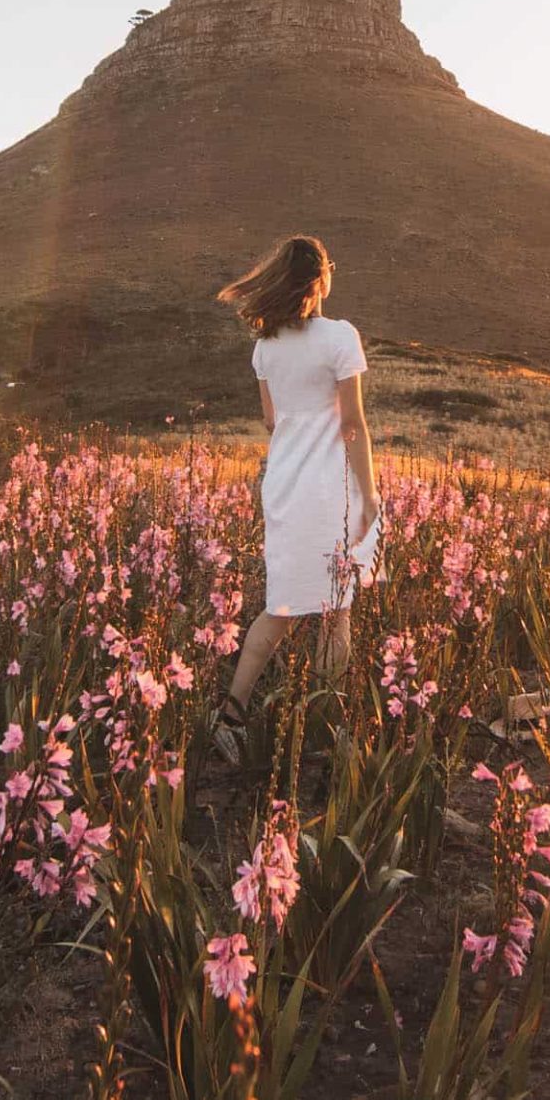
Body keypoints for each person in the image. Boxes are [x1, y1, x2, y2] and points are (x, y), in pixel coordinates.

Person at [209, 234, 382, 763]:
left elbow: (270, 419)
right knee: (337, 609)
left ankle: (231, 713)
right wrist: (370, 493)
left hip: (283, 482)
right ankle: (329, 722)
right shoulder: (340, 337)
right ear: (321, 278)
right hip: (331, 485)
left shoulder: (265, 346)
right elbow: (352, 424)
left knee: (280, 604)